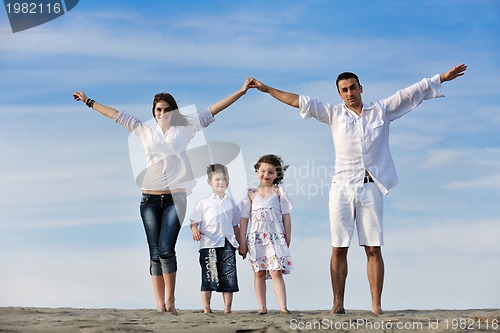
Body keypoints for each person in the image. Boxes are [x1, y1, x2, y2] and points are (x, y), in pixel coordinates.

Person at [248, 64, 467, 315]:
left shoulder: (381, 110)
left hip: (371, 186)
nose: (350, 92)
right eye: (344, 90)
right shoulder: (333, 114)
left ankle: (376, 306)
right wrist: (266, 90)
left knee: (373, 247)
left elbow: (410, 93)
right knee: (339, 247)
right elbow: (298, 101)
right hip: (341, 187)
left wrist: (441, 78)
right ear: (339, 94)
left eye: (353, 87)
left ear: (360, 88)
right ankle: (338, 304)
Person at [72, 78, 252, 314]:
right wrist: (88, 101)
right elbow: (115, 115)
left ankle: (171, 301)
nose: (163, 113)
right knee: (155, 253)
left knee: (167, 249)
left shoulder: (186, 127)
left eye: (168, 109)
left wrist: (240, 91)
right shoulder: (145, 130)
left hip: (176, 199)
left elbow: (214, 109)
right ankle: (159, 304)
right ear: (154, 112)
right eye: (159, 109)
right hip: (149, 200)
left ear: (173, 110)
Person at [239, 154, 293, 315]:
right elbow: (244, 219)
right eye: (263, 171)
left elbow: (286, 217)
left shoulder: (279, 192)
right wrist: (242, 242)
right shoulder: (250, 193)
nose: (266, 175)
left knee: (276, 271)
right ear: (257, 171)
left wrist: (287, 237)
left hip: (275, 237)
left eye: (270, 172)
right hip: (256, 238)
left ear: (276, 174)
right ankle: (262, 307)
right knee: (259, 272)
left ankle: (283, 307)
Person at [190, 163, 241, 314]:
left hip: (228, 243)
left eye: (224, 179)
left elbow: (236, 225)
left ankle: (227, 308)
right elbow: (194, 221)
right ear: (209, 182)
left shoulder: (232, 203)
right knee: (209, 274)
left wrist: (242, 244)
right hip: (208, 243)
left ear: (228, 181)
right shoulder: (204, 203)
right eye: (217, 179)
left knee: (228, 275)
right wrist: (195, 230)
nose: (221, 182)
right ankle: (206, 307)